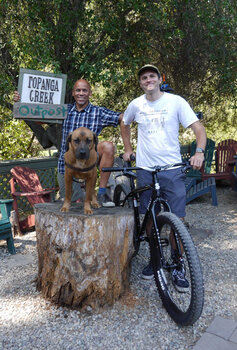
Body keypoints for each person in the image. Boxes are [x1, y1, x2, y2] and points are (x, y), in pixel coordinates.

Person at [120, 64, 207, 291]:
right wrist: (128, 148)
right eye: (144, 78)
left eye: (152, 76)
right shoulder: (136, 104)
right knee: (149, 215)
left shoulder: (175, 101)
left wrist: (199, 152)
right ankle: (155, 259)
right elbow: (124, 122)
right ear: (140, 83)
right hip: (145, 168)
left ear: (160, 79)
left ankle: (178, 265)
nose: (148, 80)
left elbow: (198, 128)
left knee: (177, 218)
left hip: (171, 168)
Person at [14, 79, 123, 207]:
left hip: (89, 161)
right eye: (78, 90)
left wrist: (128, 147)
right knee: (73, 203)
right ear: (73, 93)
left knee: (108, 146)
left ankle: (102, 193)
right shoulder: (64, 110)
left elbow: (122, 118)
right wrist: (21, 103)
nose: (81, 93)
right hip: (66, 165)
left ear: (90, 93)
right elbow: (39, 118)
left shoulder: (98, 112)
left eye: (84, 90)